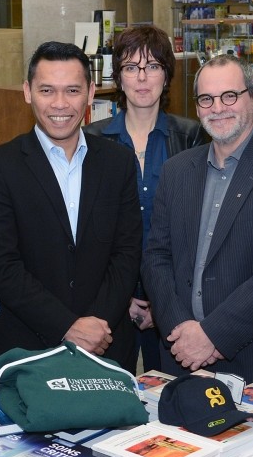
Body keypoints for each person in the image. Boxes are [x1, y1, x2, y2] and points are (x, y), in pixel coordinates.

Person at [142, 54, 253, 402]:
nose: (218, 108)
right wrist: (181, 330)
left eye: (230, 96)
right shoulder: (177, 171)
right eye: (206, 99)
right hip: (181, 358)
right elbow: (156, 257)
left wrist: (211, 336)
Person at [0, 41, 143, 373]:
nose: (60, 104)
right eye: (47, 90)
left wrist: (96, 326)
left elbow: (127, 252)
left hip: (107, 346)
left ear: (91, 93)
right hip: (31, 351)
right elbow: (1, 266)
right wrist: (67, 326)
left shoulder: (118, 161)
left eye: (73, 90)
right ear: (27, 92)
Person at [84, 25, 208, 372]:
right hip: (108, 303)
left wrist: (160, 300)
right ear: (118, 77)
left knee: (172, 405)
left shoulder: (191, 136)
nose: (142, 78)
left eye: (153, 66)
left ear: (166, 76)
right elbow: (89, 230)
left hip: (175, 302)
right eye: (131, 67)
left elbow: (196, 229)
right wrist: (121, 297)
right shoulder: (92, 141)